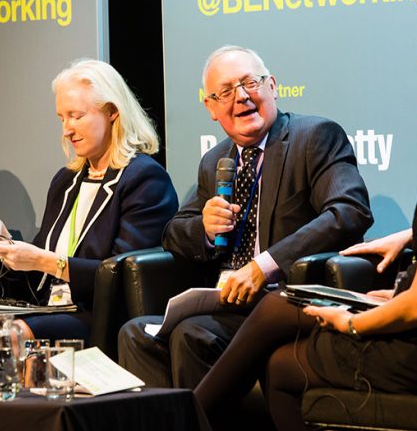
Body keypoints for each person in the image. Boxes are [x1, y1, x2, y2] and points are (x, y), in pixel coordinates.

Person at [192, 12, 417, 431]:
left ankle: (185, 418)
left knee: (280, 357)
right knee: (279, 316)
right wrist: (414, 237)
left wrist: (353, 321)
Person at [117, 45, 373, 389]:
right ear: (211, 107)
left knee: (192, 334)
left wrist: (264, 265)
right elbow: (173, 232)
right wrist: (205, 229)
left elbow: (349, 212)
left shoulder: (313, 137)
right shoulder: (216, 161)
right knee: (135, 333)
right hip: (227, 302)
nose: (241, 97)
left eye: (250, 83)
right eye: (225, 92)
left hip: (285, 301)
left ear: (273, 86)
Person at [0, 59, 178, 343]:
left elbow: (121, 279)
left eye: (76, 116)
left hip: (99, 316)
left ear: (112, 112)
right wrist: (6, 243)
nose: (67, 129)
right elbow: (38, 272)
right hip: (50, 308)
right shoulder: (66, 181)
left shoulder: (144, 179)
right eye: (61, 118)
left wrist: (46, 262)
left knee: (10, 336)